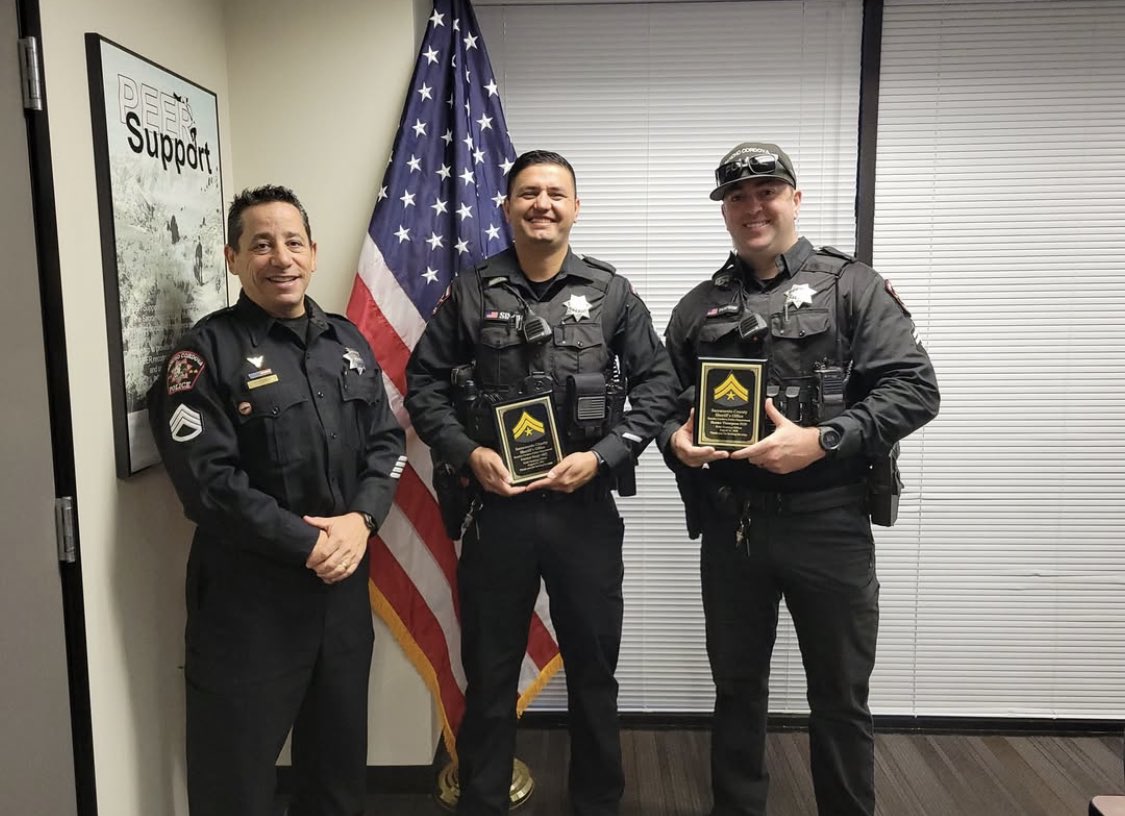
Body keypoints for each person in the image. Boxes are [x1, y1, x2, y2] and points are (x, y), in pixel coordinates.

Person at [660, 143, 940, 816]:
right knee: (735, 690)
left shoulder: (853, 287)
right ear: (723, 210)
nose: (752, 206)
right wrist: (676, 439)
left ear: (794, 197)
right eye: (737, 196)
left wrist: (820, 441)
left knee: (839, 697)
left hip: (828, 523)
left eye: (767, 191)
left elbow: (914, 389)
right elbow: (662, 398)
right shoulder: (698, 306)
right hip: (733, 525)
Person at [405, 150, 679, 816]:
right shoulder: (472, 292)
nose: (542, 205)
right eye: (528, 193)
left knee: (592, 672)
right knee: (492, 673)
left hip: (582, 510)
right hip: (496, 514)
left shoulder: (611, 294)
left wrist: (607, 454)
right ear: (506, 207)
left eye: (555, 193)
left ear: (575, 207)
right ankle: (483, 799)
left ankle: (596, 802)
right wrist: (468, 452)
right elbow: (422, 385)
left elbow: (660, 384)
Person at [148, 185, 406, 816]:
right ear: (234, 257)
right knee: (234, 781)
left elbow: (386, 444)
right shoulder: (204, 355)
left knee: (337, 776)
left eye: (292, 242)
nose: (280, 257)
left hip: (340, 597)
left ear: (314, 253)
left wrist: (361, 520)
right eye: (261, 244)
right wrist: (313, 542)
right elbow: (210, 486)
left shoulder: (348, 342)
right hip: (249, 605)